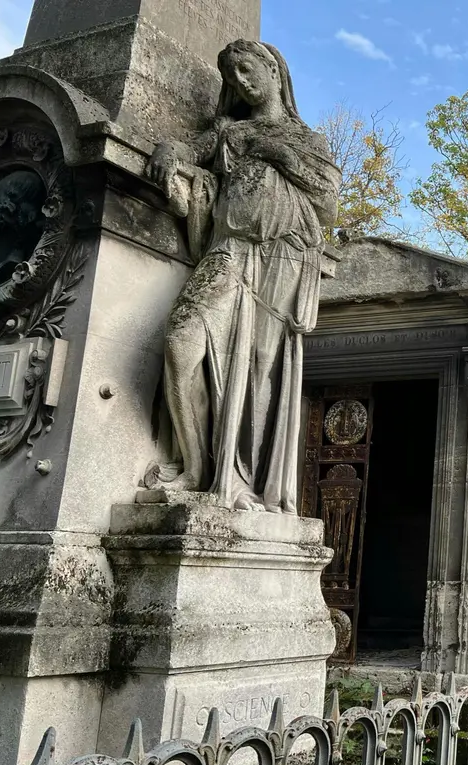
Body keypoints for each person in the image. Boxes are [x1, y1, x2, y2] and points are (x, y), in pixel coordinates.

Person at [144, 39, 340, 513]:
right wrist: (172, 151)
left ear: (274, 69)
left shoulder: (307, 140)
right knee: (181, 341)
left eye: (249, 71)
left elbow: (327, 199)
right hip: (230, 249)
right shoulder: (227, 132)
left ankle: (244, 480)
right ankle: (196, 469)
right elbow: (188, 148)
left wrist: (271, 148)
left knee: (258, 364)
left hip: (284, 258)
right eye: (233, 78)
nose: (243, 83)